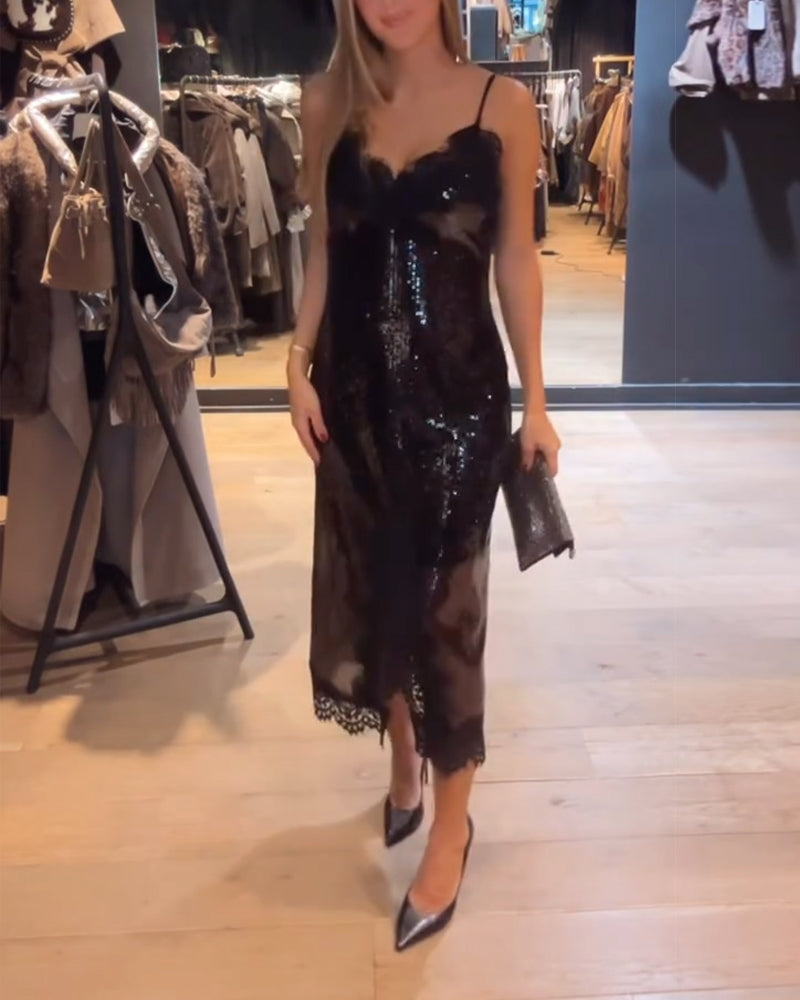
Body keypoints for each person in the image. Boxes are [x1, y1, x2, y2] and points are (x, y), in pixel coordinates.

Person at [287, 0, 561, 952]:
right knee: (377, 592)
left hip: (459, 399)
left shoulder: (503, 104)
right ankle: (401, 757)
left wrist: (536, 399)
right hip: (353, 401)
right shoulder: (325, 103)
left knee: (449, 615)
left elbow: (517, 258)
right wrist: (297, 362)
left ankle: (451, 828)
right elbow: (323, 250)